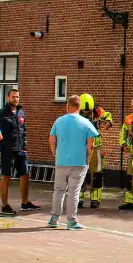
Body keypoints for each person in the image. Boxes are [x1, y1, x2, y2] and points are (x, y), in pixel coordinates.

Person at [47, 95, 99, 230]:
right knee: (74, 192)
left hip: (61, 161)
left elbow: (52, 140)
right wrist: (88, 159)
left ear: (67, 106)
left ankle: (54, 218)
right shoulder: (86, 123)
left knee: (58, 190)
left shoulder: (58, 121)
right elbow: (91, 145)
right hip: (79, 162)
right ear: (79, 107)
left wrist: (55, 154)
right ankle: (71, 221)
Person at [0, 89, 39, 216]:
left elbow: (23, 131)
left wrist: (24, 146)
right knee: (6, 176)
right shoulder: (0, 114)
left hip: (20, 150)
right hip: (6, 150)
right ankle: (5, 206)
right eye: (13, 97)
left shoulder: (21, 112)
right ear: (8, 98)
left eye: (17, 97)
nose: (16, 99)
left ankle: (25, 203)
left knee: (25, 175)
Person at [76, 93, 113, 209]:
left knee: (97, 174)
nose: (87, 114)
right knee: (79, 174)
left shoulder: (97, 110)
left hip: (96, 147)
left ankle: (95, 199)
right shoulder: (75, 112)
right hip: (81, 147)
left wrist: (108, 122)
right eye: (84, 112)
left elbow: (108, 115)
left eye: (89, 112)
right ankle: (78, 199)